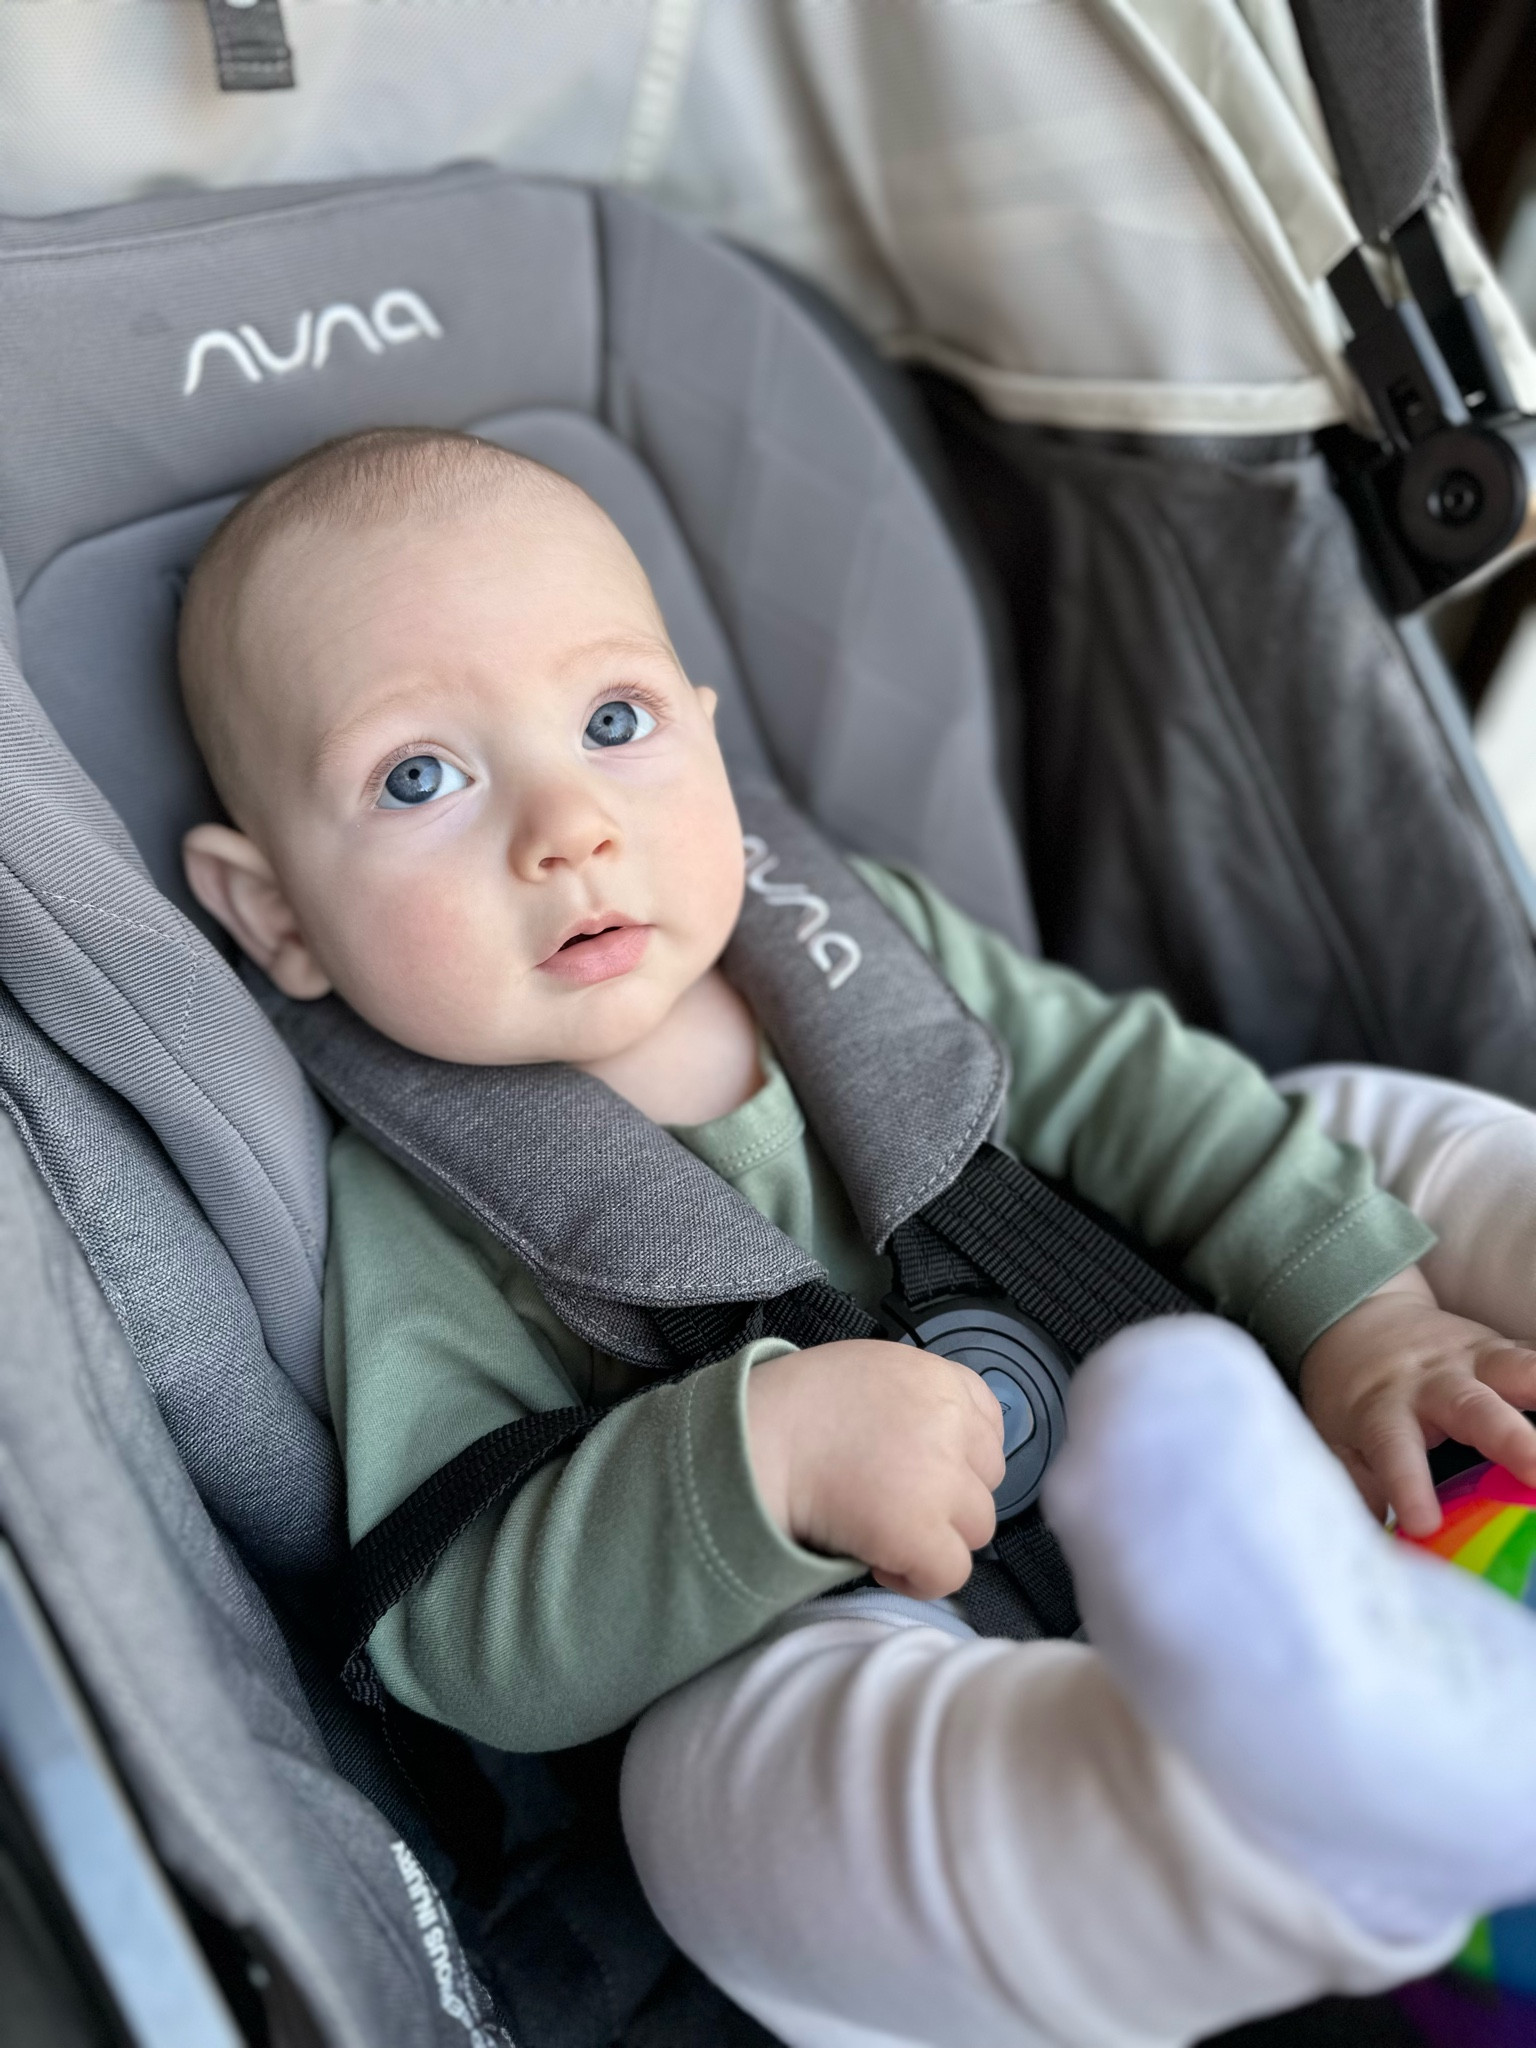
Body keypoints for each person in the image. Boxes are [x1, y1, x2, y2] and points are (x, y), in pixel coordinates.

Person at [177, 426, 1536, 2048]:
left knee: (1346, 1122)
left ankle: (1418, 1403)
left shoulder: (849, 937)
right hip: (893, 1645)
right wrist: (755, 1468)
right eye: (420, 777)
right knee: (727, 1793)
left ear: (704, 735)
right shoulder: (423, 1197)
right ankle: (1277, 1822)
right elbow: (455, 1630)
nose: (568, 826)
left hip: (1189, 1364)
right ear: (273, 918)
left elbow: (1125, 1087)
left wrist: (1365, 1310)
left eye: (613, 724)